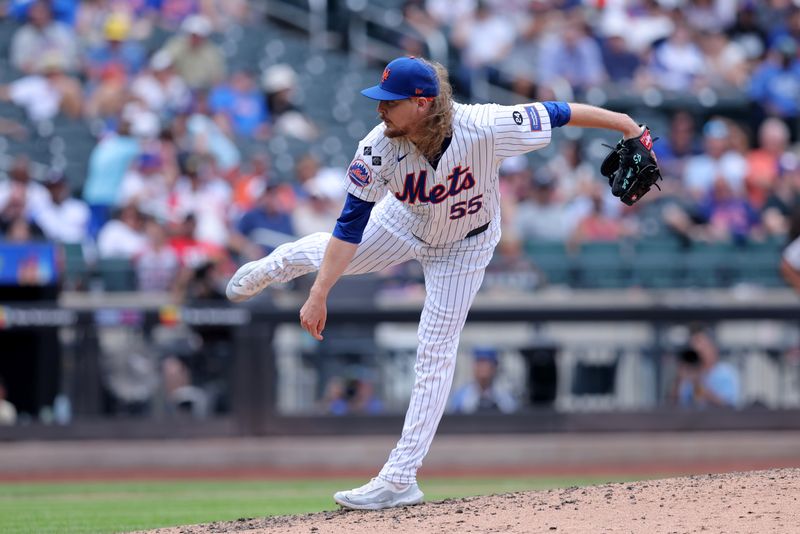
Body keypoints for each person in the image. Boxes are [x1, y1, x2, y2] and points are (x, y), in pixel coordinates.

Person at [225, 56, 654, 510]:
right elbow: (348, 228)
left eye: (392, 102)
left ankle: (399, 478)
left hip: (465, 246)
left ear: (424, 103)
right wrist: (319, 292)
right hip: (404, 224)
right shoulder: (376, 148)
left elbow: (559, 111)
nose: (381, 109)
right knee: (324, 254)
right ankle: (272, 267)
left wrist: (626, 125)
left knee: (434, 351)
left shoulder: (488, 124)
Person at [672, 324, 740, 409]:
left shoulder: (725, 373)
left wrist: (697, 384)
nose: (698, 353)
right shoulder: (689, 375)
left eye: (702, 347)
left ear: (712, 349)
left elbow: (726, 405)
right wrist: (679, 378)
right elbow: (674, 405)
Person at [449, 347, 518, 414]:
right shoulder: (461, 396)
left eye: (486, 363)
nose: (482, 368)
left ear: (494, 367)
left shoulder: (504, 396)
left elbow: (513, 413)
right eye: (479, 362)